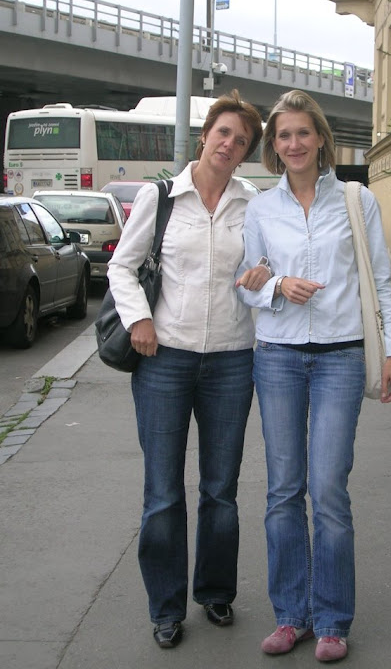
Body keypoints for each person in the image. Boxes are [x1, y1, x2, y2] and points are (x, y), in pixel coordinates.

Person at [236, 89, 391, 663]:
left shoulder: (356, 200)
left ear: (321, 138)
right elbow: (247, 283)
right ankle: (291, 616)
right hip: (278, 356)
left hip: (340, 357)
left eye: (302, 132)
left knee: (328, 488)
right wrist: (277, 285)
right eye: (283, 135)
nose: (294, 143)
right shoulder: (261, 209)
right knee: (283, 489)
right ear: (273, 145)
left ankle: (331, 620)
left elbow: (381, 280)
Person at [107, 90, 268, 649]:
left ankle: (216, 591)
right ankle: (166, 606)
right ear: (205, 135)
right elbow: (122, 268)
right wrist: (139, 320)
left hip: (232, 359)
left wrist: (263, 273)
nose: (229, 144)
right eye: (224, 133)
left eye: (241, 140)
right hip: (164, 359)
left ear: (246, 152)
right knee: (163, 491)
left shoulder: (252, 204)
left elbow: (268, 266)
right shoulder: (160, 198)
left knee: (221, 489)